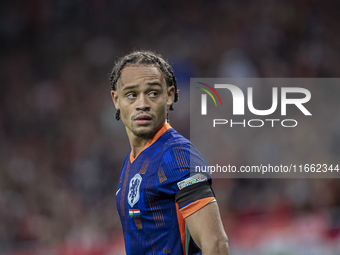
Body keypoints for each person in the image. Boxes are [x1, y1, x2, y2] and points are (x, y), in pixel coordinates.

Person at [109, 50, 229, 255]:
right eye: (131, 94)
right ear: (116, 100)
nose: (142, 104)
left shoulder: (177, 155)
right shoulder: (130, 161)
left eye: (153, 93)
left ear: (170, 95)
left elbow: (215, 244)